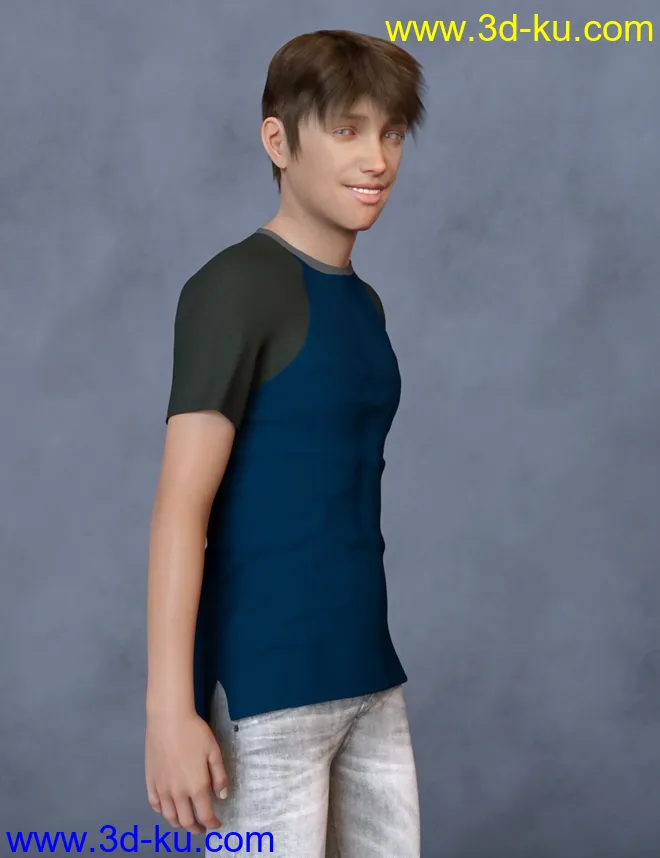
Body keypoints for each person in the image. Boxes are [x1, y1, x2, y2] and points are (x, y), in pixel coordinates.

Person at [145, 28, 427, 857]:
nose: (376, 158)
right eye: (346, 129)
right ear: (278, 140)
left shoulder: (364, 305)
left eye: (392, 133)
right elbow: (181, 508)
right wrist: (169, 710)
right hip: (265, 693)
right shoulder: (234, 287)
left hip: (371, 680)